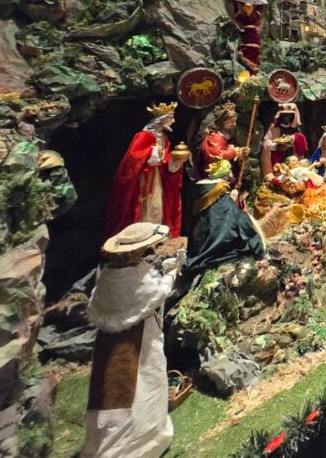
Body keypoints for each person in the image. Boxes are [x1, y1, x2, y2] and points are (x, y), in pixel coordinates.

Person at [82, 222, 183, 458]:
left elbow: (94, 305)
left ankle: (107, 440)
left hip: (107, 346)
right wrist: (172, 273)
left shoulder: (107, 276)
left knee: (108, 393)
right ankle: (143, 441)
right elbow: (156, 294)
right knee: (145, 383)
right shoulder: (137, 277)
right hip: (140, 341)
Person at [106, 102, 185, 239]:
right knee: (143, 209)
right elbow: (133, 157)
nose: (173, 121)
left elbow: (163, 159)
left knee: (157, 208)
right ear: (161, 119)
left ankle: (155, 238)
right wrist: (151, 152)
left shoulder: (163, 137)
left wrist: (174, 163)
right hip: (143, 181)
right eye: (170, 118)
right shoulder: (143, 136)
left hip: (157, 179)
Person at [185, 159, 265, 273]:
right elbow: (234, 220)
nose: (232, 174)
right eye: (230, 171)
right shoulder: (222, 198)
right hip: (220, 248)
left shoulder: (200, 195)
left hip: (197, 247)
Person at [196, 101, 250, 181]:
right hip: (213, 172)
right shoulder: (215, 137)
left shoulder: (229, 136)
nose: (234, 124)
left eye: (235, 121)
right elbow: (216, 155)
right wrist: (235, 151)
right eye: (232, 121)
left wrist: (242, 153)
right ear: (223, 121)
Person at [260, 102, 308, 177]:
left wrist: (294, 138)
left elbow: (301, 141)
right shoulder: (274, 128)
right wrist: (275, 146)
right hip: (277, 156)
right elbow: (266, 141)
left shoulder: (295, 129)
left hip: (291, 154)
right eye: (284, 115)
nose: (286, 117)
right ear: (280, 116)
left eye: (289, 115)